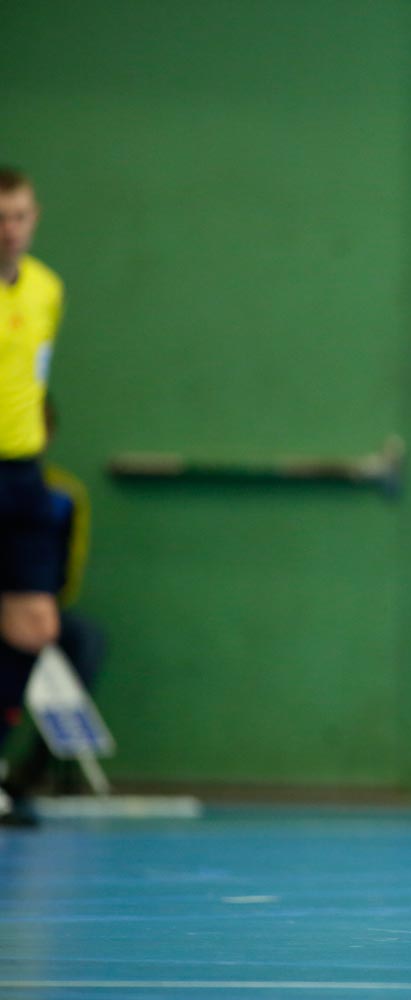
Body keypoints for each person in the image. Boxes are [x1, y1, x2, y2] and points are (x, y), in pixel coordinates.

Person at [1, 397, 107, 826]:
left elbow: (66, 568)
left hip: (26, 603)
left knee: (81, 639)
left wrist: (34, 600)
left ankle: (30, 771)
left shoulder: (61, 493)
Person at [0, 167, 65, 825]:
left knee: (34, 623)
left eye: (18, 214)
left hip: (22, 473)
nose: (8, 228)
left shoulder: (47, 289)